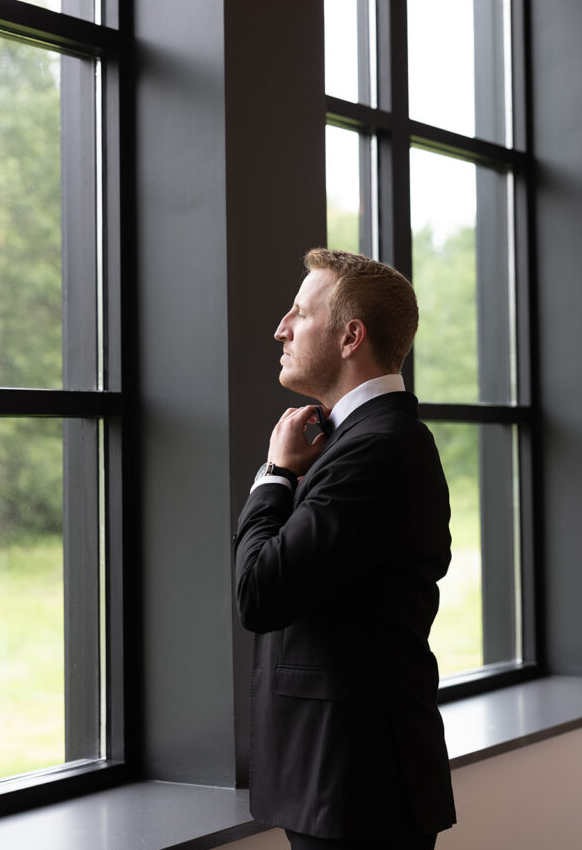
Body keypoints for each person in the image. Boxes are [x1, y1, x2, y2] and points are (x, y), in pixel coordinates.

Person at [233, 248, 456, 850]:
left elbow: (260, 593)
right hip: (342, 782)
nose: (280, 327)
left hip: (358, 788)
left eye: (299, 314)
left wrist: (275, 475)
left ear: (351, 335)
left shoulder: (377, 449)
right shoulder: (363, 441)